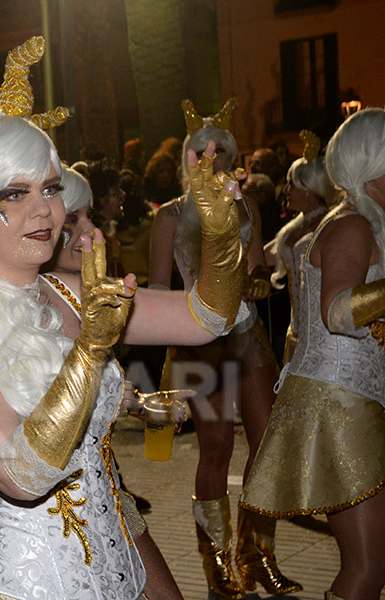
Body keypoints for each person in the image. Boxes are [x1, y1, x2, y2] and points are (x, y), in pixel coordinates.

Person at [0, 34, 247, 599]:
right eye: (12, 194)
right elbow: (22, 477)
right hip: (17, 586)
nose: (43, 209)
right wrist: (90, 353)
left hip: (113, 569)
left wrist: (217, 232)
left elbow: (207, 318)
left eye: (48, 189)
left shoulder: (71, 293)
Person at [148, 99, 301, 599]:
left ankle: (255, 554)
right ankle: (218, 569)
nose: (210, 157)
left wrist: (258, 282)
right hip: (198, 343)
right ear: (187, 158)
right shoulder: (168, 218)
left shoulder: (246, 207)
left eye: (220, 150)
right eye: (200, 150)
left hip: (246, 333)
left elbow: (257, 267)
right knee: (217, 446)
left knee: (268, 444)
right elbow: (155, 293)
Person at [242, 107, 385, 600]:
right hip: (338, 404)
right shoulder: (352, 227)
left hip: (348, 399)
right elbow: (339, 313)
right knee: (367, 568)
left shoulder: (359, 223)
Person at [264, 130, 331, 364]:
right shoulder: (294, 227)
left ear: (308, 188)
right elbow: (263, 256)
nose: (285, 190)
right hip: (294, 330)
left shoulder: (329, 224)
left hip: (321, 333)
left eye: (291, 183)